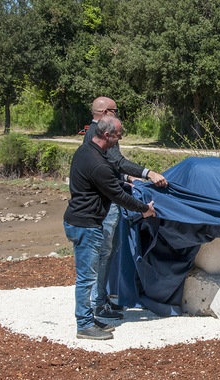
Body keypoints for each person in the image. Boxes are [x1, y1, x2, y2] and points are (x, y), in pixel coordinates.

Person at [64, 115, 157, 340]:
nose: (120, 139)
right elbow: (117, 195)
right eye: (118, 135)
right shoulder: (97, 164)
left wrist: (128, 177)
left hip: (78, 220)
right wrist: (144, 209)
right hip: (86, 225)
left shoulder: (86, 151)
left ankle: (89, 317)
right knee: (86, 278)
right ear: (107, 135)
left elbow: (112, 179)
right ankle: (84, 325)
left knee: (88, 274)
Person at [83, 97, 167, 320]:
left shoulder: (94, 131)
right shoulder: (101, 133)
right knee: (104, 252)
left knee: (110, 249)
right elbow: (117, 161)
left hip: (106, 198)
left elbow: (111, 166)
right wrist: (148, 173)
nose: (118, 115)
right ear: (106, 112)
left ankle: (101, 298)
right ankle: (97, 303)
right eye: (116, 111)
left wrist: (125, 177)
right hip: (104, 202)